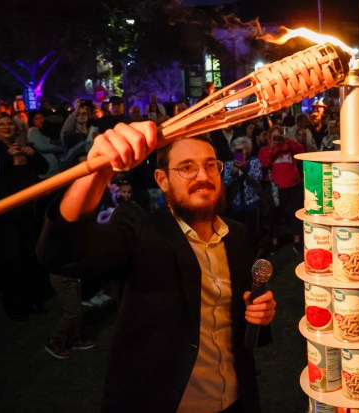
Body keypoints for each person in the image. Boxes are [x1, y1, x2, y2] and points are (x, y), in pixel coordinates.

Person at [37, 121, 276, 413]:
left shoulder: (237, 235)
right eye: (186, 167)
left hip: (235, 400)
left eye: (210, 165)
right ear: (162, 180)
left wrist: (260, 315)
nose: (203, 176)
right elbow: (61, 253)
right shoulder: (139, 230)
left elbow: (240, 325)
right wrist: (99, 172)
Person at [0, 113, 49, 320]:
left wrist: (33, 154)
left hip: (26, 211)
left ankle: (33, 299)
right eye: (1, 124)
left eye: (10, 124)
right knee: (10, 259)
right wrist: (7, 156)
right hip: (3, 214)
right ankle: (15, 307)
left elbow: (44, 168)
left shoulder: (24, 146)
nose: (7, 127)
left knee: (29, 255)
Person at [258, 126, 305, 253]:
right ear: (269, 138)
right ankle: (275, 243)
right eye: (275, 137)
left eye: (279, 136)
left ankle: (297, 241)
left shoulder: (289, 147)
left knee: (295, 215)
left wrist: (287, 141)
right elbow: (264, 164)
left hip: (293, 186)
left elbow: (301, 150)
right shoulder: (265, 150)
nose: (277, 139)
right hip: (276, 189)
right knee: (275, 217)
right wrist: (272, 149)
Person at [222, 137, 263, 250]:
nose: (240, 153)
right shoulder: (229, 165)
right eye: (237, 150)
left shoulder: (255, 162)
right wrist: (233, 173)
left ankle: (254, 251)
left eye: (242, 150)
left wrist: (245, 169)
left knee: (252, 231)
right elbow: (225, 182)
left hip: (252, 202)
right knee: (238, 232)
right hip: (236, 203)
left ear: (248, 150)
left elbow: (257, 179)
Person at [27, 110, 64, 179]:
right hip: (47, 170)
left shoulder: (41, 131)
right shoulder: (33, 130)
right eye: (37, 119)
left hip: (52, 170)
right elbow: (42, 147)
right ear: (32, 121)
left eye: (41, 118)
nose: (40, 120)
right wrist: (60, 148)